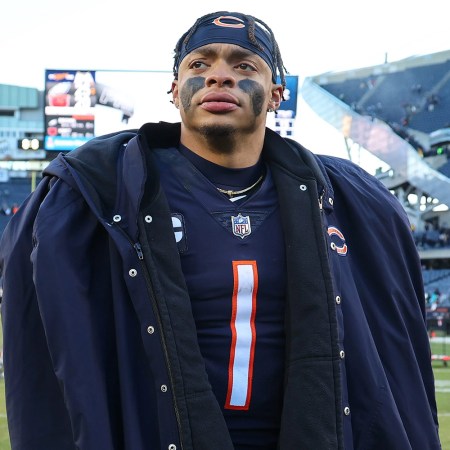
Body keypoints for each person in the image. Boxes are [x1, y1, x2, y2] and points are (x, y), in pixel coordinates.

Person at [0, 11, 442, 450]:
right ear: (174, 91)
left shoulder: (345, 198)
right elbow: (43, 339)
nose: (219, 77)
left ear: (276, 94)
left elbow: (395, 340)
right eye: (200, 64)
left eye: (243, 65)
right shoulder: (98, 191)